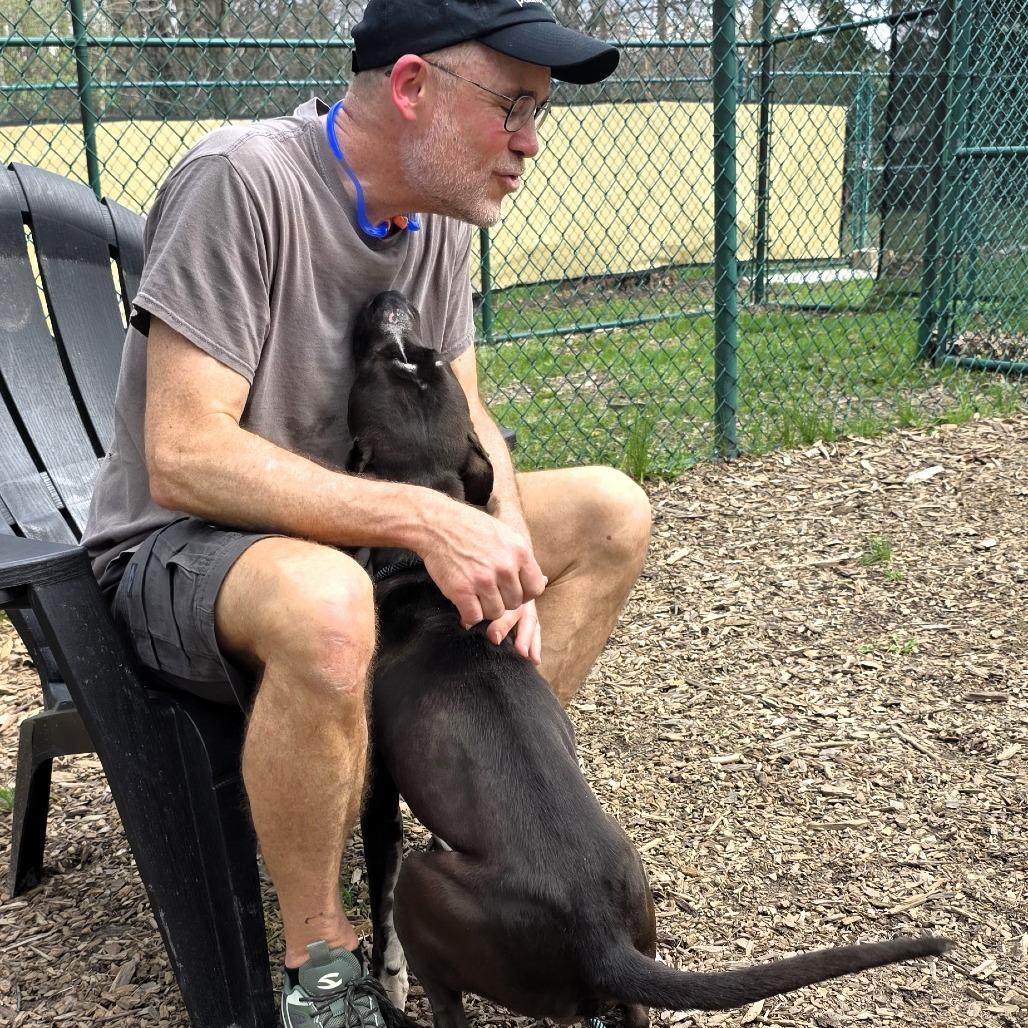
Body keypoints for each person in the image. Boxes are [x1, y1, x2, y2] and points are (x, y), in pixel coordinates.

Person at [82, 1, 652, 1025]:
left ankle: (494, 840)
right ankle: (323, 965)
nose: (529, 143)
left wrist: (506, 529)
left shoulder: (438, 213)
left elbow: (468, 414)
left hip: (359, 542)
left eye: (540, 116)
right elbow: (182, 454)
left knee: (612, 511)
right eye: (512, 108)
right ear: (410, 88)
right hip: (185, 547)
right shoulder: (243, 180)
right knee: (331, 600)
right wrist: (428, 522)